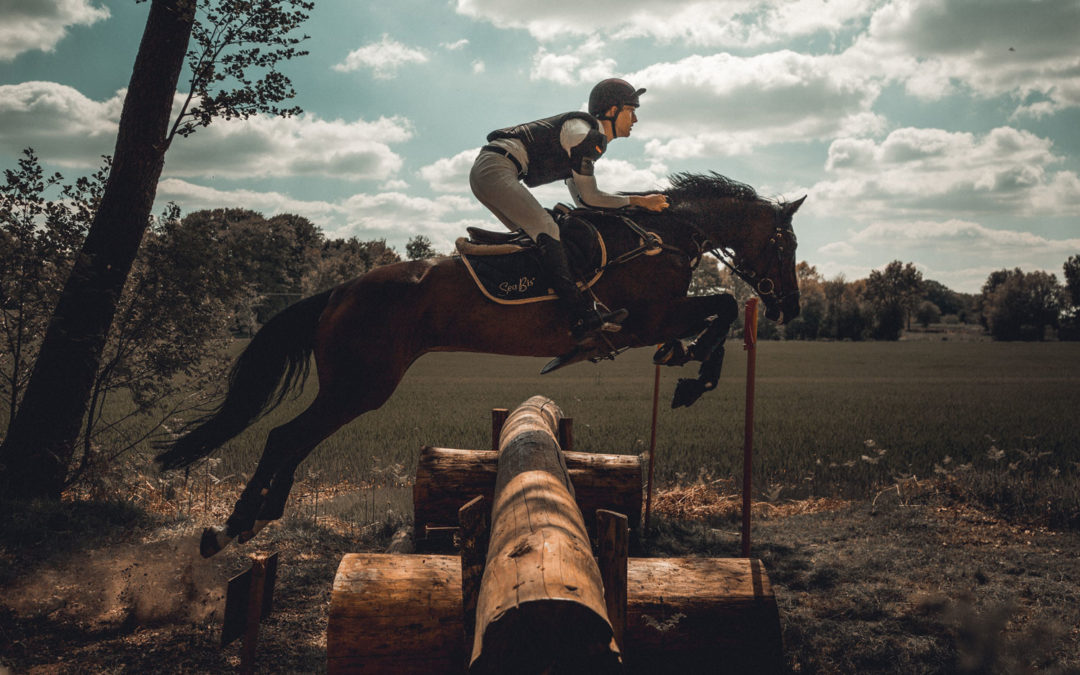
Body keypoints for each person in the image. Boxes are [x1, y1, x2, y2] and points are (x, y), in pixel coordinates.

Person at [470, 78, 669, 342]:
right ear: (612, 111)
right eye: (631, 111)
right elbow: (589, 197)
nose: (635, 120)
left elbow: (585, 201)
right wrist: (639, 201)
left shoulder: (585, 138)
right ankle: (581, 315)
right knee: (547, 228)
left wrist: (632, 203)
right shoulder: (585, 135)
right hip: (496, 168)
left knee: (538, 237)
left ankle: (537, 305)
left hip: (491, 170)